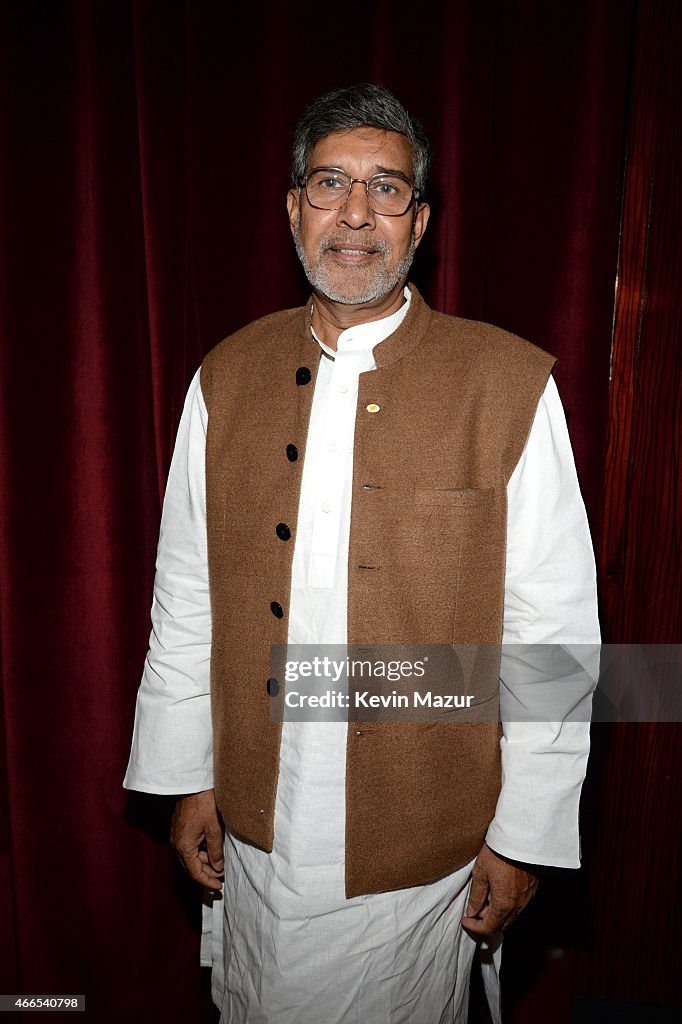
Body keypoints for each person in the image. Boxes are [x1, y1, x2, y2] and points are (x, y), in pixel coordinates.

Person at [124, 83, 600, 1023]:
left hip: (423, 850)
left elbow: (552, 633)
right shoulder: (224, 376)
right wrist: (188, 777)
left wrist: (526, 836)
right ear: (293, 207)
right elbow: (187, 594)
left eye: (386, 190)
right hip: (256, 833)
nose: (355, 215)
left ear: (418, 221)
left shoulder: (506, 384)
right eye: (330, 183)